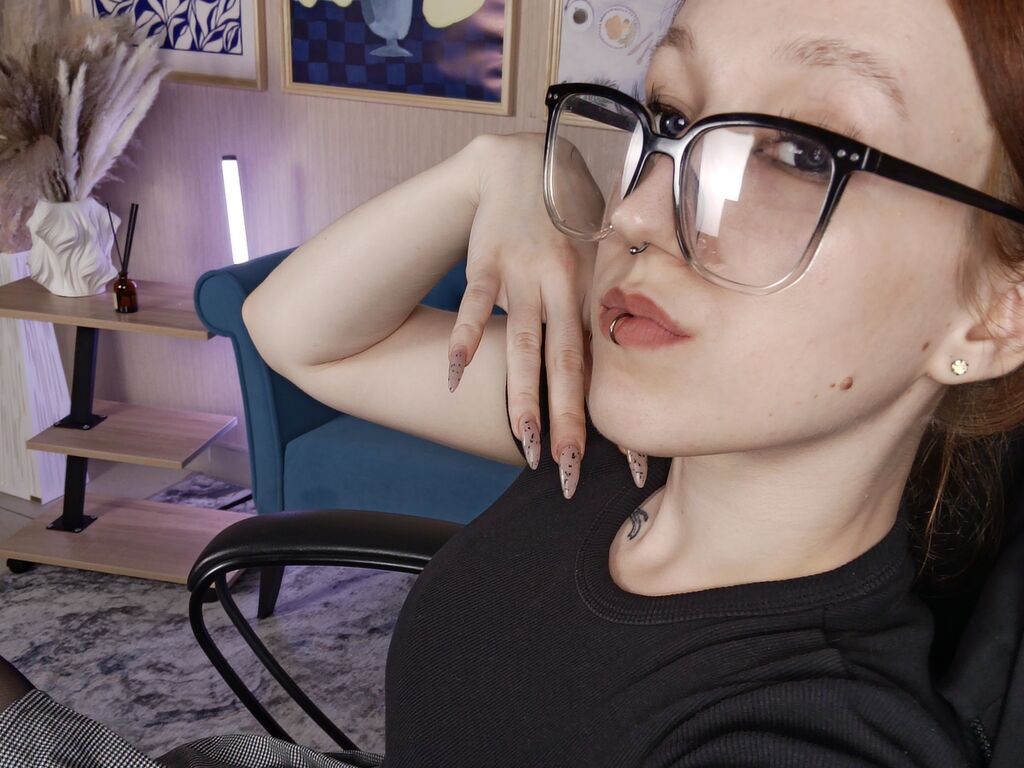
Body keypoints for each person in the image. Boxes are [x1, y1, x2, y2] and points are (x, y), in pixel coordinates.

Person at [2, 0, 1023, 765]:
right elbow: (295, 334)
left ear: (994, 314)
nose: (637, 213)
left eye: (801, 152)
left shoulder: (807, 734)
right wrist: (493, 167)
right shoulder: (618, 433)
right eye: (668, 116)